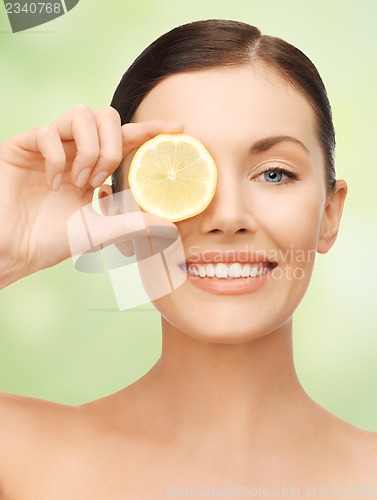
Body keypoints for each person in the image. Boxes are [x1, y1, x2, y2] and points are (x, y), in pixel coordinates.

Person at [0, 19, 376, 499]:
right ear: (116, 211)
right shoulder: (16, 455)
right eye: (175, 175)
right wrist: (9, 248)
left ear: (329, 213)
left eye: (275, 174)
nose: (227, 217)